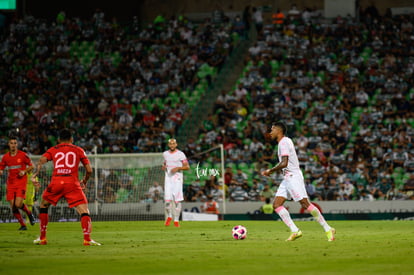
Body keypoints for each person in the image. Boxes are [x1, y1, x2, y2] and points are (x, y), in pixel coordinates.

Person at [261, 121, 336, 241]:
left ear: (279, 130)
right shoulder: (284, 141)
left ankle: (328, 229)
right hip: (287, 178)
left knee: (305, 204)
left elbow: (284, 163)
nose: (270, 132)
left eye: (272, 129)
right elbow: (285, 163)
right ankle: (295, 230)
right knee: (276, 204)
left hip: (293, 177)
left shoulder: (284, 142)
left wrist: (270, 170)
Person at [31, 128, 101, 245]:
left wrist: (35, 175)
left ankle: (42, 238)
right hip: (72, 183)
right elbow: (89, 170)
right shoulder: (78, 150)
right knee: (84, 211)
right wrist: (84, 180)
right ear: (71, 139)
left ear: (58, 140)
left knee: (44, 205)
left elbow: (41, 161)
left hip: (56, 182)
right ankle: (87, 239)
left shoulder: (53, 149)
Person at [0, 136, 35, 230]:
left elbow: (32, 166)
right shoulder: (5, 157)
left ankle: (29, 214)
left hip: (21, 182)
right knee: (13, 206)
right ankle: (23, 225)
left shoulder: (23, 155)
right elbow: (1, 168)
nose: (13, 145)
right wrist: (1, 171)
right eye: (11, 143)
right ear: (8, 145)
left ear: (17, 144)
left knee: (18, 204)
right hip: (10, 183)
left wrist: (24, 171)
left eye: (15, 143)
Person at [162, 138, 190, 227]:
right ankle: (169, 216)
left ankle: (176, 220)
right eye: (170, 144)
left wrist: (178, 168)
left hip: (177, 178)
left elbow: (187, 167)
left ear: (176, 144)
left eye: (173, 143)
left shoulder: (180, 154)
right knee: (167, 201)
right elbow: (165, 164)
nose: (172, 145)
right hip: (168, 178)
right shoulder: (165, 154)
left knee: (177, 201)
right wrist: (164, 167)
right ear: (168, 145)